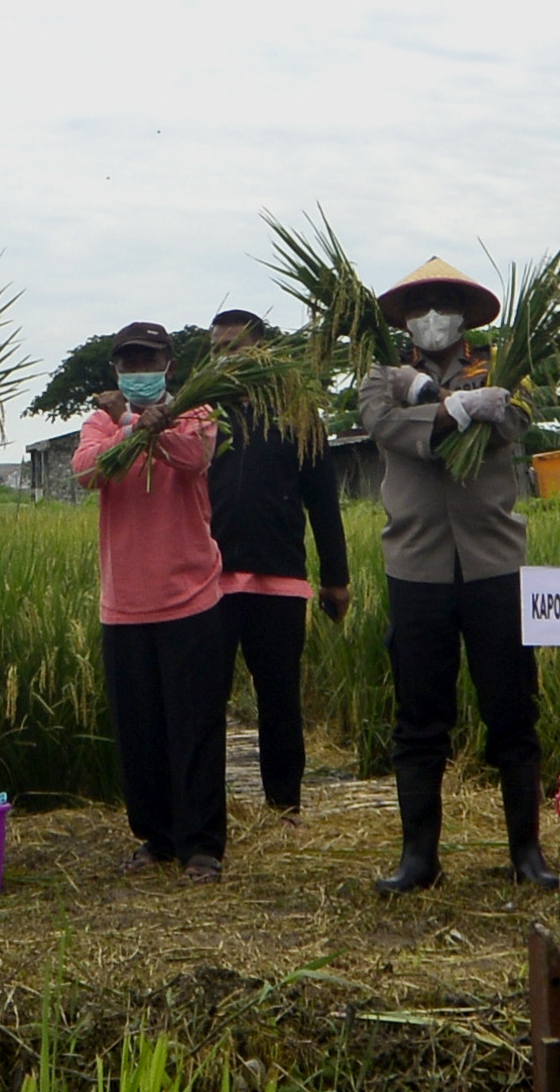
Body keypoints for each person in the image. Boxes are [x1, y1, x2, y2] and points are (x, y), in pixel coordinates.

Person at [358, 258, 557, 893]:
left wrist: (443, 400)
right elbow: (385, 427)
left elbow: (511, 424)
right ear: (405, 320)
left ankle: (527, 854)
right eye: (421, 306)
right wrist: (461, 407)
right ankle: (419, 859)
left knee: (513, 712)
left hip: (494, 563)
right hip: (416, 566)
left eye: (445, 303)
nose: (433, 316)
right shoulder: (382, 375)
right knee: (419, 717)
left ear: (466, 315)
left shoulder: (504, 368)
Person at [72, 321, 227, 885]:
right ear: (116, 370)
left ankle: (201, 846)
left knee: (195, 729)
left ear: (169, 365)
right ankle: (156, 838)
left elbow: (193, 457)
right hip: (125, 604)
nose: (139, 371)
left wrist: (154, 427)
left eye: (149, 361)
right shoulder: (101, 421)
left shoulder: (195, 411)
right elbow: (89, 470)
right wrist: (131, 425)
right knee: (139, 733)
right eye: (129, 363)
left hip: (191, 598)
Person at [207, 309, 350, 817]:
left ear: (262, 350)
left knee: (280, 699)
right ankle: (207, 808)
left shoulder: (297, 416)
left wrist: (336, 578)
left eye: (235, 346)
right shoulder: (203, 415)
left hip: (280, 579)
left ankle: (284, 806)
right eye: (216, 349)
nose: (225, 357)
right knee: (206, 700)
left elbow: (323, 502)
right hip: (209, 582)